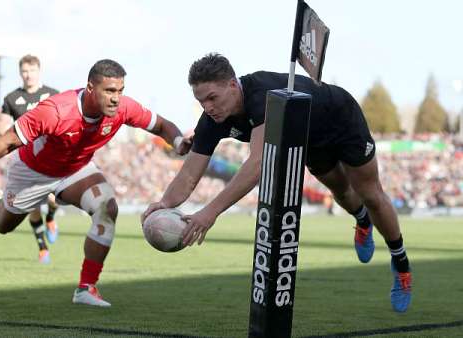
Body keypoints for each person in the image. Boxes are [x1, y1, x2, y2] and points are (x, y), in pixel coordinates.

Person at [142, 53, 412, 313]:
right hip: (308, 138)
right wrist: (164, 202)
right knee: (340, 190)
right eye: (202, 102)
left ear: (233, 85)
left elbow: (258, 164)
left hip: (340, 118)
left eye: (212, 98)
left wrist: (209, 212)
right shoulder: (212, 120)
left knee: (370, 194)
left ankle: (400, 264)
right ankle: (362, 220)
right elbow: (189, 175)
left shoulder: (263, 98)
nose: (208, 107)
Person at [0, 59, 191, 307]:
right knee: (2, 225)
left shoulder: (123, 108)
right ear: (90, 88)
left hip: (75, 169)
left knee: (107, 208)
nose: (116, 98)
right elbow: (8, 141)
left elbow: (161, 125)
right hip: (31, 172)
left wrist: (178, 141)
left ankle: (86, 288)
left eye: (120, 91)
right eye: (109, 91)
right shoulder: (55, 110)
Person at [0, 55, 60, 264]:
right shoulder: (11, 99)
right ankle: (42, 247)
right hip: (25, 161)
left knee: (54, 200)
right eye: (24, 71)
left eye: (32, 70)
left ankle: (51, 216)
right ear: (20, 73)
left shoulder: (53, 95)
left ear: (39, 71)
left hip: (50, 159)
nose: (28, 75)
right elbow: (4, 126)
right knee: (32, 205)